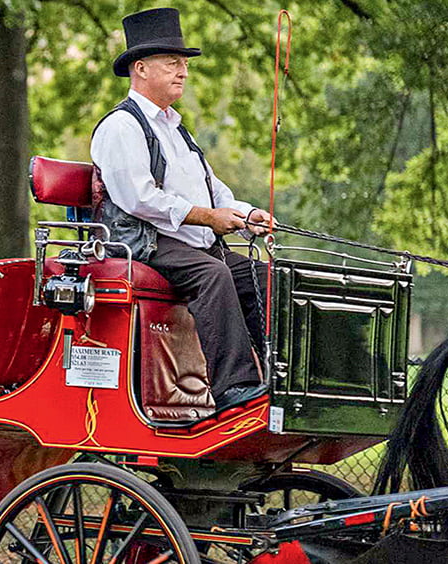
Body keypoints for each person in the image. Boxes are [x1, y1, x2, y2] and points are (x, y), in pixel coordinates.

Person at [91, 8, 274, 409]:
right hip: (146, 243)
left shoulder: (175, 128)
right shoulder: (121, 127)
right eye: (173, 63)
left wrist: (246, 217)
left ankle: (280, 376)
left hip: (191, 242)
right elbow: (138, 197)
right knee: (214, 275)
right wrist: (209, 218)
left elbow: (213, 189)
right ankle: (234, 390)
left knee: (266, 279)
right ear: (140, 68)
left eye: (184, 64)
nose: (183, 72)